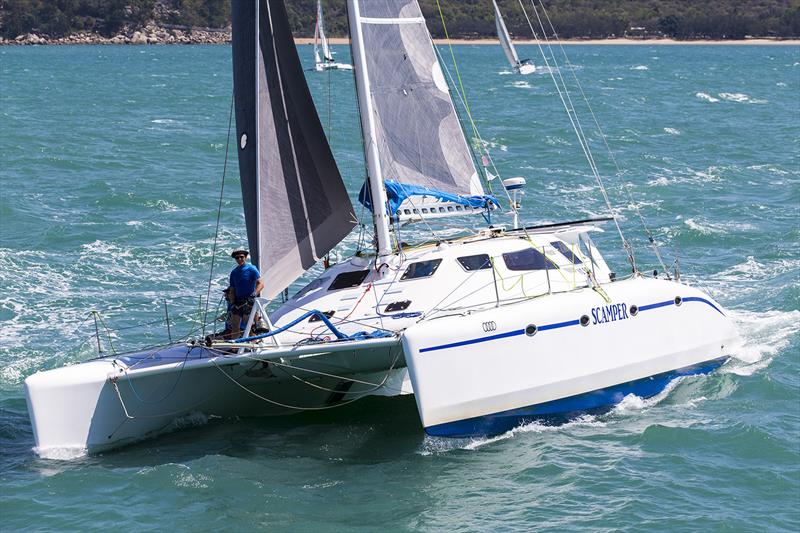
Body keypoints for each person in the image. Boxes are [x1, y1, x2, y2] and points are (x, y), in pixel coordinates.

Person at [228, 249, 264, 339]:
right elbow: (232, 290)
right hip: (237, 301)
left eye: (241, 257)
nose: (239, 259)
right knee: (235, 325)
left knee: (249, 324)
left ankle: (254, 341)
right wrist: (232, 303)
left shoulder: (251, 269)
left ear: (245, 257)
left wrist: (254, 294)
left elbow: (261, 283)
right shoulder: (234, 273)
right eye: (237, 257)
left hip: (249, 301)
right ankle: (234, 347)